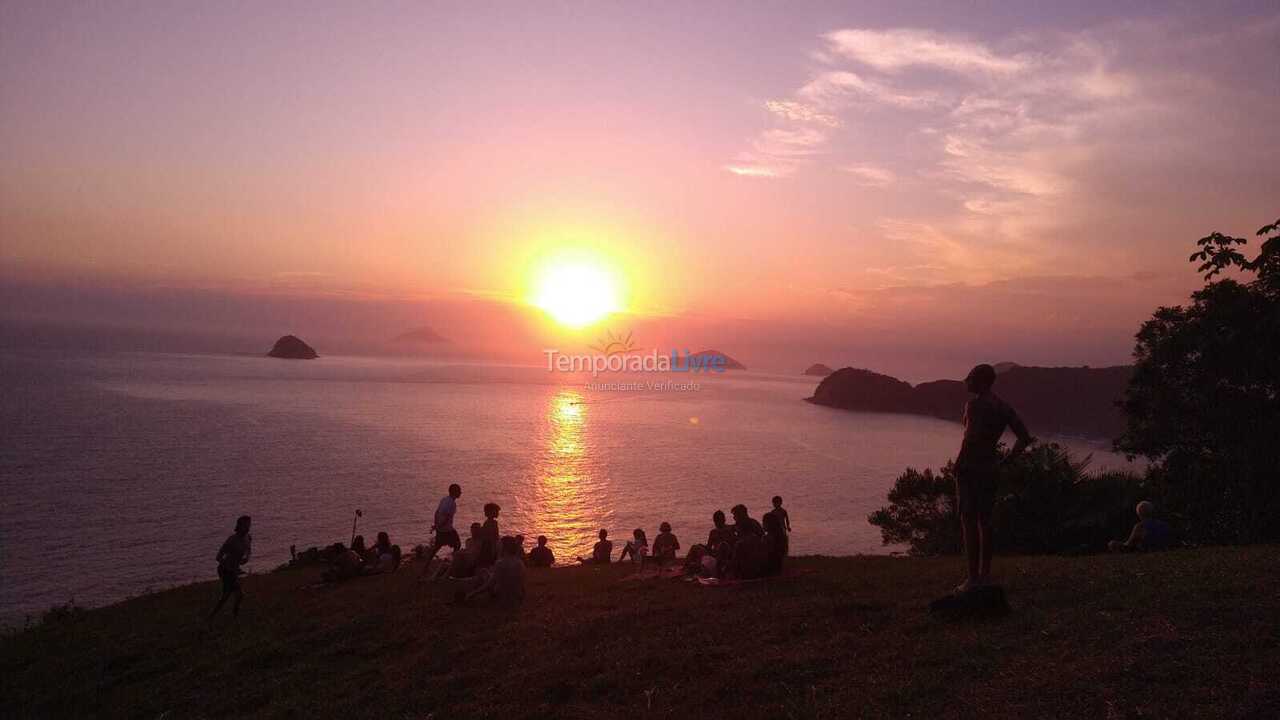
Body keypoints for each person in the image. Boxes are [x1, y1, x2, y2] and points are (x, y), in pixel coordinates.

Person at [954, 363, 1035, 593]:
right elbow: (1024, 437)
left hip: (970, 468)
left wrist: (959, 465)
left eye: (969, 377)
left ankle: (972, 578)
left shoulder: (974, 405)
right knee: (986, 522)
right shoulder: (1003, 407)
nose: (966, 381)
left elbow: (970, 439)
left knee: (969, 521)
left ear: (980, 381)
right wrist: (1007, 460)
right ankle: (985, 575)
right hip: (991, 468)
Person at [208, 515, 252, 625]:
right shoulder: (232, 540)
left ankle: (219, 616)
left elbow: (248, 550)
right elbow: (218, 557)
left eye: (249, 525)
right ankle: (215, 617)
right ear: (239, 526)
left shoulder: (248, 538)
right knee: (232, 595)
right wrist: (229, 566)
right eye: (245, 525)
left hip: (233, 570)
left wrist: (246, 558)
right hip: (225, 570)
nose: (248, 527)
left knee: (234, 596)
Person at [465, 536, 526, 606]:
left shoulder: (500, 563)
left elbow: (489, 584)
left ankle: (467, 588)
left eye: (500, 545)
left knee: (483, 575)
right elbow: (520, 584)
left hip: (501, 597)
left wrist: (472, 594)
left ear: (504, 547)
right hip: (516, 597)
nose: (499, 547)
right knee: (484, 571)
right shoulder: (520, 563)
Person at [420, 484, 463, 575]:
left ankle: (425, 567)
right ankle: (451, 566)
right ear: (454, 492)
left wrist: (436, 525)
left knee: (436, 548)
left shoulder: (444, 499)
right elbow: (447, 517)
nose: (460, 492)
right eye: (459, 491)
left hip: (441, 529)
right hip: (447, 530)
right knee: (457, 545)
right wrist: (439, 526)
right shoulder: (452, 503)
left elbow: (436, 512)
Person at [476, 502, 502, 570]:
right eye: (496, 511)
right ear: (491, 512)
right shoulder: (492, 523)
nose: (498, 513)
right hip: (489, 546)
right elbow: (494, 537)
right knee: (489, 563)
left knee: (487, 564)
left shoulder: (487, 523)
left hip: (487, 545)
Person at [762, 510, 787, 576]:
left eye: (763, 522)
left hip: (769, 567)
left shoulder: (768, 538)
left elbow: (764, 554)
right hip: (778, 567)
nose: (762, 525)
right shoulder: (782, 536)